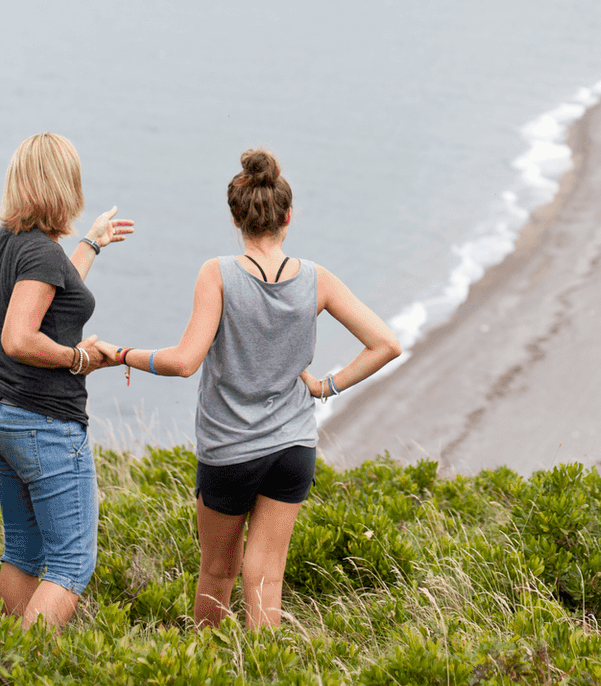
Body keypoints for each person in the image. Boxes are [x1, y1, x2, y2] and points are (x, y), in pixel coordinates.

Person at [97, 148, 402, 629]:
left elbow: (184, 362)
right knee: (267, 578)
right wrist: (325, 387)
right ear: (288, 216)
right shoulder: (317, 280)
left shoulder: (217, 273)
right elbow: (386, 344)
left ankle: (207, 665)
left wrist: (120, 354)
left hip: (230, 449)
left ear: (235, 217)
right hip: (293, 447)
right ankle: (263, 670)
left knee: (218, 573)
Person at [0, 132, 133, 630]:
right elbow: (19, 338)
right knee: (71, 565)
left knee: (23, 552)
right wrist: (79, 358)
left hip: (3, 412)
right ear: (62, 185)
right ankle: (23, 663)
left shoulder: (9, 242)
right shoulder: (41, 255)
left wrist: (91, 243)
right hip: (43, 422)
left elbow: (55, 294)